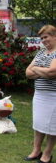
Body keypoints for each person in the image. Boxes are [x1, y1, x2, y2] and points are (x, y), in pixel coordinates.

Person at [25, 25, 56, 163]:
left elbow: (51, 73)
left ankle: (47, 154)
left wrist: (36, 69)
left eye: (46, 37)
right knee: (38, 124)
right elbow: (27, 73)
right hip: (39, 95)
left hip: (53, 96)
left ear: (54, 36)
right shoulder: (41, 53)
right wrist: (43, 69)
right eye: (41, 38)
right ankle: (36, 151)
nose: (43, 40)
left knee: (52, 127)